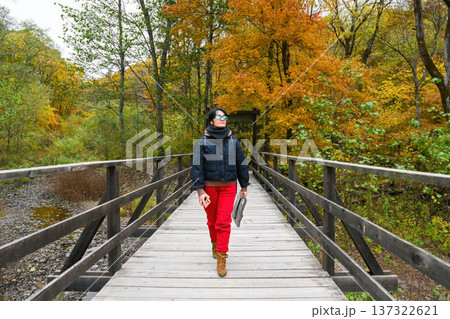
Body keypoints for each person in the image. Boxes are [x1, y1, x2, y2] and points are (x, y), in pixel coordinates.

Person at [192, 108, 250, 277]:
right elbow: (197, 167)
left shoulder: (233, 141)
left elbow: (241, 163)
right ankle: (215, 244)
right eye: (219, 116)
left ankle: (222, 257)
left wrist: (244, 186)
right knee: (212, 221)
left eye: (224, 116)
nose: (222, 118)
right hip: (209, 189)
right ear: (211, 120)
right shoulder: (202, 142)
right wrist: (200, 191)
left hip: (228, 187)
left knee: (223, 222)